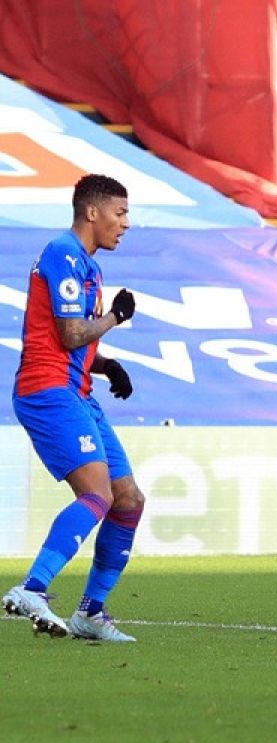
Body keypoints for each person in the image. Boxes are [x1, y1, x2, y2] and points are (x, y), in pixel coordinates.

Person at [3, 174, 142, 643]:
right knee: (98, 494)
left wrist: (106, 364)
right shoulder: (63, 253)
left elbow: (73, 341)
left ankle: (90, 612)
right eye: (120, 213)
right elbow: (67, 335)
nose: (126, 223)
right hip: (47, 391)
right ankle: (32, 588)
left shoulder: (88, 266)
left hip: (77, 390)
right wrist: (114, 319)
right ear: (92, 212)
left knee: (128, 500)